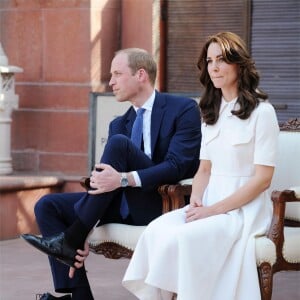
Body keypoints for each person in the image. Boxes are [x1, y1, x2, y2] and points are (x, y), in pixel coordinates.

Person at [21, 48, 202, 300]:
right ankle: (80, 294)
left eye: (117, 74)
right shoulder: (119, 123)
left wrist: (124, 179)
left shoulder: (183, 109)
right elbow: (107, 179)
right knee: (47, 205)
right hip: (121, 202)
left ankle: (73, 236)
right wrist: (105, 196)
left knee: (118, 143)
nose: (111, 82)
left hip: (162, 203)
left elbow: (178, 165)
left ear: (141, 75)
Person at [122, 32, 279, 300]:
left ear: (239, 64)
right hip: (208, 203)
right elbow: (204, 169)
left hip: (245, 210)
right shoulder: (210, 113)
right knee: (157, 230)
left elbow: (263, 179)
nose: (214, 67)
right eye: (209, 61)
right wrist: (196, 201)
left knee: (185, 239)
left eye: (221, 60)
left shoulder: (262, 113)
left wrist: (213, 211)